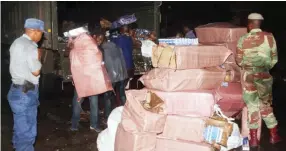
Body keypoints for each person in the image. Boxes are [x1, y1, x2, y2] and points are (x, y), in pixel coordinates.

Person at [236, 13, 282, 147]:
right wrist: (265, 67)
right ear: (259, 24)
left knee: (252, 106)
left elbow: (239, 60)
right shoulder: (270, 37)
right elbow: (274, 59)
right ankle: (274, 136)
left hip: (249, 76)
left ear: (250, 24)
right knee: (265, 105)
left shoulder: (243, 39)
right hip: (264, 76)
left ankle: (254, 140)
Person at [7, 18, 44, 151]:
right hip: (26, 92)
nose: (42, 36)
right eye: (41, 33)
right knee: (27, 133)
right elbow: (35, 71)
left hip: (15, 90)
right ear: (34, 31)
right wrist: (39, 57)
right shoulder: (30, 46)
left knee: (19, 129)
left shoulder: (16, 42)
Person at [95, 32, 128, 120]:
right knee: (122, 94)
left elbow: (104, 64)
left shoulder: (102, 49)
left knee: (108, 97)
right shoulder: (117, 47)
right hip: (121, 75)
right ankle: (127, 113)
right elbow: (122, 61)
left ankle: (108, 116)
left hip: (111, 76)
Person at [112, 25, 134, 91]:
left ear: (121, 29)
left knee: (121, 88)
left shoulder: (119, 39)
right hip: (129, 64)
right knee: (126, 86)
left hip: (122, 65)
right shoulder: (129, 38)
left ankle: (122, 99)